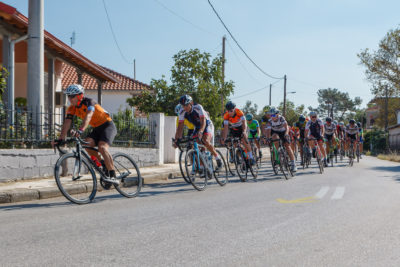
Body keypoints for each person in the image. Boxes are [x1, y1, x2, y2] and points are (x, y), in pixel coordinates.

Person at [53, 84, 119, 186]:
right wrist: (61, 138)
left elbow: (88, 116)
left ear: (80, 96)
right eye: (68, 96)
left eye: (72, 96)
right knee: (88, 145)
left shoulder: (89, 102)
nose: (70, 98)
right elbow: (67, 122)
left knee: (102, 147)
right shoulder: (71, 108)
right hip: (97, 128)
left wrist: (81, 130)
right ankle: (103, 164)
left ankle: (113, 175)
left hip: (107, 126)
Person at [173, 95, 222, 169]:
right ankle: (202, 166)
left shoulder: (198, 107)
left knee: (205, 141)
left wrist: (201, 131)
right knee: (194, 146)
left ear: (191, 103)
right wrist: (177, 139)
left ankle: (217, 157)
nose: (185, 107)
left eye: (186, 105)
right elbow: (180, 127)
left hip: (207, 124)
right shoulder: (182, 111)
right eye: (183, 106)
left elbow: (203, 121)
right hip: (197, 126)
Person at [221, 101, 256, 165]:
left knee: (244, 140)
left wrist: (244, 131)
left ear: (234, 109)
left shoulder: (239, 112)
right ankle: (242, 156)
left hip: (242, 127)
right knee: (234, 144)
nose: (229, 112)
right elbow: (226, 128)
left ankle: (251, 157)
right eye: (228, 111)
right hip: (234, 129)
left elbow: (244, 123)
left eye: (231, 110)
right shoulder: (226, 115)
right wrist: (224, 138)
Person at [265, 107, 297, 172]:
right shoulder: (270, 121)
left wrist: (286, 134)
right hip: (275, 132)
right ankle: (276, 159)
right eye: (271, 115)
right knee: (275, 139)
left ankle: (293, 164)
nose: (272, 117)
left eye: (273, 115)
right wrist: (268, 138)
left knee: (287, 146)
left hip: (283, 131)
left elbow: (286, 127)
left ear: (277, 114)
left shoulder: (281, 118)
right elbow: (268, 131)